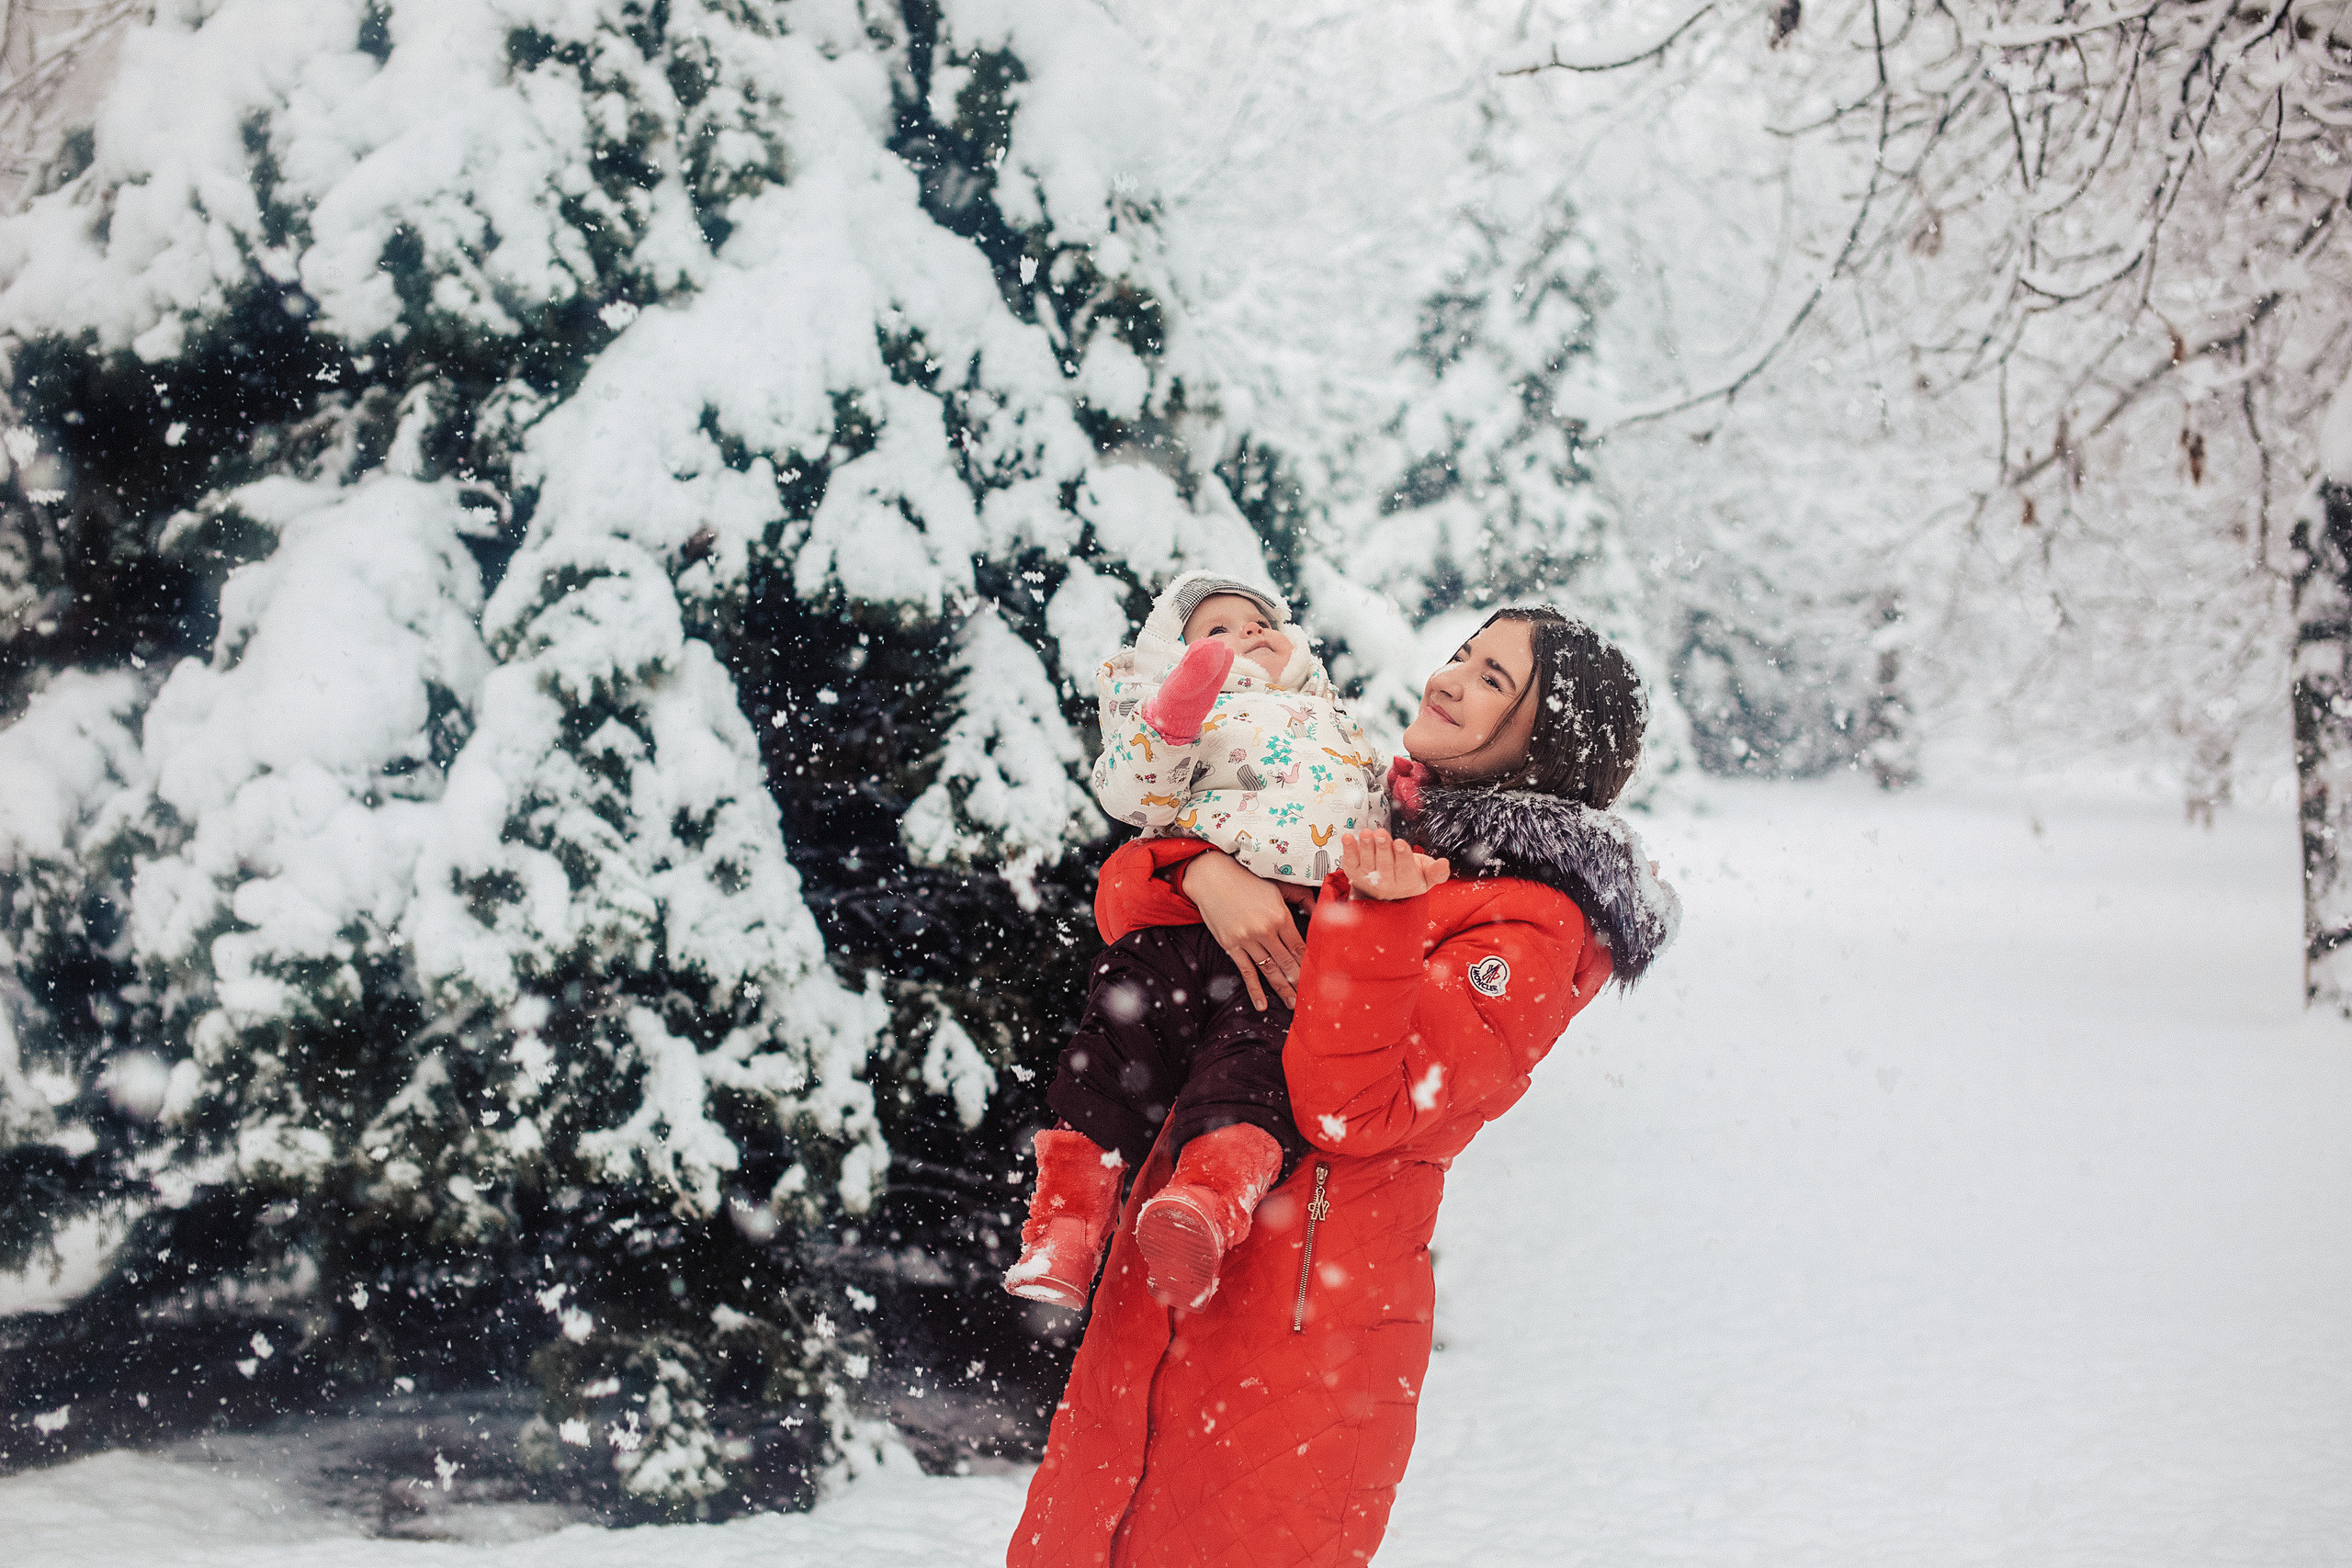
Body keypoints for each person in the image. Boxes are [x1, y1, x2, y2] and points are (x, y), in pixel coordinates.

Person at [1006, 606, 1680, 1568]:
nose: (1449, 678)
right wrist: (1205, 877)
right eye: (1461, 655)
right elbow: (1131, 911)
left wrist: (1370, 919)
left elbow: (1351, 1106)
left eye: (1494, 679)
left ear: (1553, 741)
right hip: (1171, 1264)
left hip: (1303, 1321)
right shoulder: (1356, 809)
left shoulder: (1530, 923)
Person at [1005, 572, 1386, 1314]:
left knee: (1254, 1076)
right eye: (1216, 628)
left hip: (1284, 946)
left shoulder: (1336, 721)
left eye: (1258, 620)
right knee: (1111, 1058)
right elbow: (1131, 792)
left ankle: (1204, 1208)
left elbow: (1374, 818)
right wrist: (1176, 714)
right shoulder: (1179, 707)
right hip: (1175, 928)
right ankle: (1064, 1228)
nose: (1245, 632)